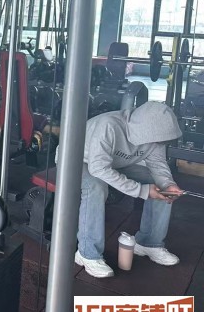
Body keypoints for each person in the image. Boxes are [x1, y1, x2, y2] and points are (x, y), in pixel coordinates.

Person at [73, 101, 184, 278]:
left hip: (114, 163)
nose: (159, 143)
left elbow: (157, 164)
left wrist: (168, 184)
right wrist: (142, 191)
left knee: (161, 186)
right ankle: (87, 253)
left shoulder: (157, 135)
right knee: (96, 186)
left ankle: (149, 243)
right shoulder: (108, 126)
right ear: (145, 129)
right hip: (79, 160)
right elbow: (98, 168)